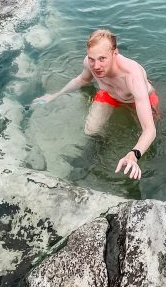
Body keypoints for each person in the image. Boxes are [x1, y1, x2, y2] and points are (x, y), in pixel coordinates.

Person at [33, 29, 158, 181]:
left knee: (150, 137)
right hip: (109, 95)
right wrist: (55, 95)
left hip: (140, 99)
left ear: (115, 53)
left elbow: (149, 130)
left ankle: (129, 159)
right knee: (91, 130)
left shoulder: (132, 77)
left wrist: (134, 155)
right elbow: (82, 80)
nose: (96, 66)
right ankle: (95, 152)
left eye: (102, 59)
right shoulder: (89, 63)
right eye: (92, 59)